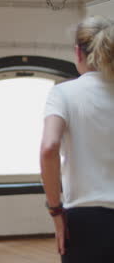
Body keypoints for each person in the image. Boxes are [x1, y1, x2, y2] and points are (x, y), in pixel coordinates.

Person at [40, 16, 114, 263]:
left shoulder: (63, 93)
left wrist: (55, 211)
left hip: (83, 220)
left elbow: (49, 148)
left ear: (77, 53)